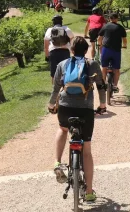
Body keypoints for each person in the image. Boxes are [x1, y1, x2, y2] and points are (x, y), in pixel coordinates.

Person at [48, 36, 106, 203]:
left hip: (65, 108)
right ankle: (88, 191)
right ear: (86, 50)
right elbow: (101, 86)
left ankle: (57, 163)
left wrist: (52, 105)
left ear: (71, 50)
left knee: (63, 129)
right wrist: (102, 105)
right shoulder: (93, 64)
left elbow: (56, 88)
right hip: (85, 110)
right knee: (86, 150)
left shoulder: (62, 64)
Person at [98, 13, 127, 92]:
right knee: (116, 69)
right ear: (117, 19)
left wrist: (99, 44)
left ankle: (103, 84)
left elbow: (99, 38)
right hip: (116, 51)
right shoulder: (120, 27)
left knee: (104, 68)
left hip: (106, 50)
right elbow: (124, 39)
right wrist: (125, 45)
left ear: (109, 19)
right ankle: (115, 86)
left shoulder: (105, 26)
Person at [44, 15, 74, 81]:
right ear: (61, 21)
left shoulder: (50, 30)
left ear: (53, 22)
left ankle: (55, 90)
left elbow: (46, 45)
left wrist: (46, 55)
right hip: (65, 52)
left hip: (53, 52)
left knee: (53, 74)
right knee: (65, 72)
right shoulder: (67, 29)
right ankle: (64, 89)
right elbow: (72, 40)